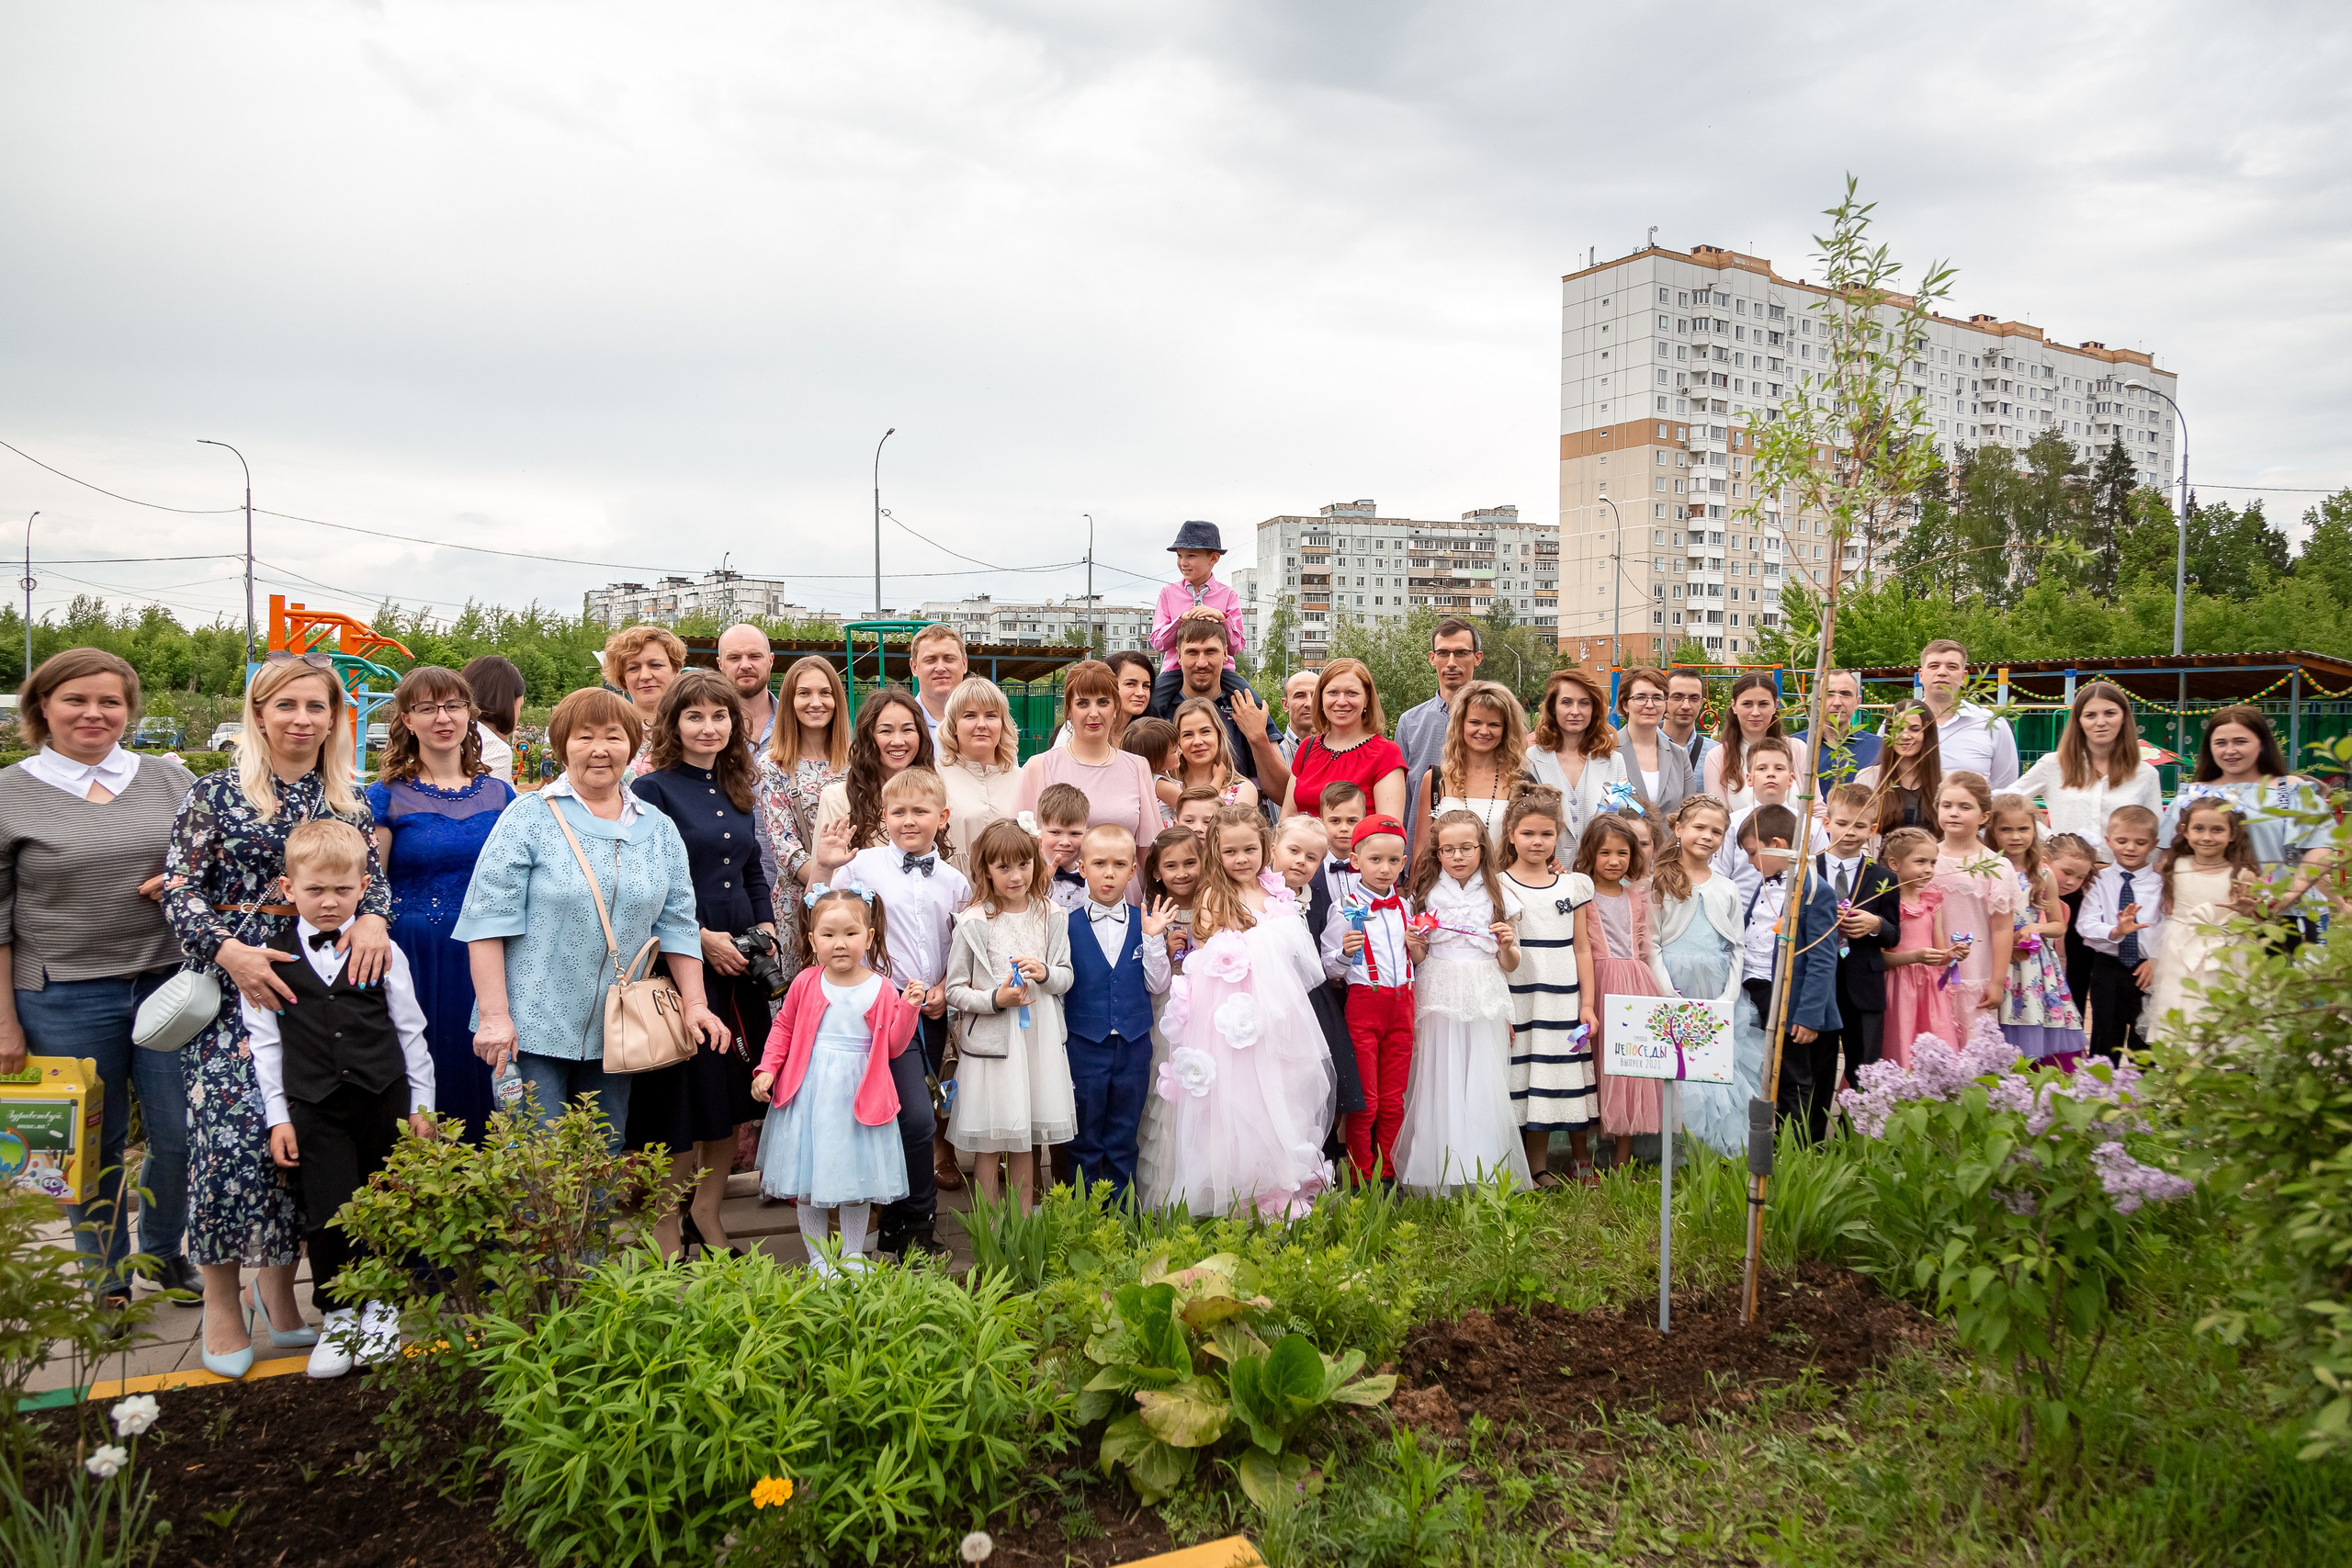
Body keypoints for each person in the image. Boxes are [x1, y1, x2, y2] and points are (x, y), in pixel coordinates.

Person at [162, 653, 394, 1377]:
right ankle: (224, 1305)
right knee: (232, 1149)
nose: (302, 719)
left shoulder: (347, 803)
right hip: (236, 993)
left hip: (323, 1001)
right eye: (286, 705)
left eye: (316, 707)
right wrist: (229, 952)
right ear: (259, 712)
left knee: (308, 1147)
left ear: (334, 717)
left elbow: (376, 888)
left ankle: (289, 1300)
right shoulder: (216, 794)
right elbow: (179, 888)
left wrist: (374, 924)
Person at [0, 649, 197, 1301]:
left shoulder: (168, 781)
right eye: (75, 699)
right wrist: (5, 1021)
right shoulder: (10, 793)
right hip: (61, 995)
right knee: (88, 1149)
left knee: (179, 1135)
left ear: (129, 710)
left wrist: (181, 880)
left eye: (109, 701)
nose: (93, 713)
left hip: (171, 986)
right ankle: (106, 1276)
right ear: (42, 708)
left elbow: (207, 862)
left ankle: (163, 1253)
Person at [455, 686, 724, 1149]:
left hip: (619, 1030)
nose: (600, 749)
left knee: (603, 1156)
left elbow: (678, 925)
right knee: (536, 1163)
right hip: (530, 1026)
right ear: (562, 746)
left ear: (631, 746)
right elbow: (486, 922)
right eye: (584, 737)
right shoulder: (529, 817)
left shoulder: (658, 828)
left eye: (614, 736)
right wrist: (496, 1018)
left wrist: (697, 1005)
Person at [243, 819, 434, 1380]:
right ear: (288, 888)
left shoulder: (383, 951)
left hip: (382, 1096)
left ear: (361, 889)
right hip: (314, 1104)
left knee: (384, 1201)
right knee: (328, 1210)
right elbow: (265, 1043)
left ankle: (382, 1309)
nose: (330, 903)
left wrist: (421, 1106)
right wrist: (279, 1117)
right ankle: (339, 1314)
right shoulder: (270, 959)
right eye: (315, 891)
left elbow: (411, 1031)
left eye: (343, 891)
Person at [626, 671, 768, 1258]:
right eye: (695, 717)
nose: (709, 728)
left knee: (731, 1100)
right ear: (673, 724)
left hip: (742, 960)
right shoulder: (653, 790)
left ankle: (708, 1217)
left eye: (720, 717)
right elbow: (645, 884)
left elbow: (753, 866)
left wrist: (762, 928)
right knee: (685, 1101)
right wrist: (703, 937)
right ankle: (667, 1226)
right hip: (685, 960)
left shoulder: (738, 785)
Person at [1159, 804, 1332, 1216]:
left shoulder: (1276, 892)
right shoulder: (1215, 897)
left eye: (1249, 850)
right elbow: (1212, 954)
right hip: (1231, 1019)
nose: (1241, 860)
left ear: (1265, 847)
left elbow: (1298, 955)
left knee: (1281, 1092)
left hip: (1276, 1016)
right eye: (1230, 852)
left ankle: (1277, 1186)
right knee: (1239, 1099)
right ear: (1216, 853)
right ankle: (1236, 1193)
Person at [367, 665, 514, 1144]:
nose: (442, 717)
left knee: (488, 1069)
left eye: (453, 706)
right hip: (415, 952)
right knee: (426, 1063)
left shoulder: (501, 794)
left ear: (471, 713)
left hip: (489, 953)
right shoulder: (385, 797)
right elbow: (372, 887)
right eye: (426, 708)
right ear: (407, 720)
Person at [752, 886, 918, 1277]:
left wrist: (909, 1008)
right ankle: (818, 1260)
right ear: (812, 939)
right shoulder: (806, 982)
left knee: (854, 1179)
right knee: (810, 1178)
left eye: (850, 934)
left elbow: (893, 1047)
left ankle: (854, 1255)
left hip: (860, 1095)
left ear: (870, 937)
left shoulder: (881, 988)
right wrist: (767, 1069)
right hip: (811, 1094)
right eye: (828, 935)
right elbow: (784, 1029)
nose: (839, 944)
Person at [839, 767, 967, 1258]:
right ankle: (916, 1224)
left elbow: (958, 946)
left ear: (943, 817)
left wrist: (942, 989)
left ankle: (897, 1227)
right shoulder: (863, 868)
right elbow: (839, 924)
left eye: (920, 811)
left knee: (923, 1111)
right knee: (911, 1118)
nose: (909, 821)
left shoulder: (955, 882)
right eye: (898, 812)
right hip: (879, 1011)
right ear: (883, 817)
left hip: (930, 1013)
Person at [1390, 808, 1527, 1195]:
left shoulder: (1500, 891)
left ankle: (1481, 1169)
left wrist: (1506, 945)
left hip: (1484, 987)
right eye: (1448, 849)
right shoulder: (1426, 892)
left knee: (1483, 1077)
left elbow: (1511, 964)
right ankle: (1437, 1168)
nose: (1458, 857)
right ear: (1437, 853)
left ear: (1483, 848)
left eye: (1467, 847)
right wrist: (1415, 947)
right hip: (1440, 987)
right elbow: (1420, 958)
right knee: (1439, 1074)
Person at [944, 817, 1075, 1213]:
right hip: (995, 1048)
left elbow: (1066, 977)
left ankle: (1022, 1224)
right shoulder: (972, 922)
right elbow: (954, 990)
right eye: (1003, 868)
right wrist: (996, 999)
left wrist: (1046, 974)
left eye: (1024, 865)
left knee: (1025, 1135)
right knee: (991, 1138)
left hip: (1039, 1041)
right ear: (986, 870)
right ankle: (988, 1225)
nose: (1016, 876)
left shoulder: (1051, 914)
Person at [1064, 824, 1175, 1200]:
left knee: (1124, 1132)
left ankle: (1123, 1217)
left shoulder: (1144, 922)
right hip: (1083, 1044)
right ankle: (1081, 1215)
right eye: (1099, 863)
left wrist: (1154, 940)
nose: (1108, 873)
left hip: (1133, 1045)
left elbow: (1158, 985)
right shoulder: (1063, 925)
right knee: (1083, 1134)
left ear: (1132, 871)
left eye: (1119, 864)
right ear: (1082, 868)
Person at [1497, 789, 1596, 1186]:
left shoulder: (1574, 886)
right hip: (1520, 996)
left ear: (1558, 836)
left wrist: (1586, 1005)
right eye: (1528, 833)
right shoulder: (1499, 884)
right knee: (1526, 1077)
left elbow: (1583, 947)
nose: (1537, 842)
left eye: (1547, 834)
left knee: (1557, 1073)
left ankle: (1565, 1162)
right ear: (1511, 834)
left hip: (1562, 998)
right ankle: (1530, 1167)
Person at [2159, 705, 2335, 926]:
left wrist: (2288, 896)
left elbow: (2319, 849)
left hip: (2286, 914)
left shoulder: (2291, 790)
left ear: (2261, 744)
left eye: (2240, 741)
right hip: (2209, 917)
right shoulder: (2193, 794)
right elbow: (2167, 855)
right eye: (2220, 743)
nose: (2230, 750)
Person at [1320, 813, 1415, 1183]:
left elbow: (1414, 961)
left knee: (1393, 1100)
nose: (1385, 868)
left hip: (1403, 1006)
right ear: (1356, 861)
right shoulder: (1344, 908)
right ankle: (1361, 1174)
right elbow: (1330, 968)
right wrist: (1345, 953)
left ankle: (1387, 1172)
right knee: (1367, 1100)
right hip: (1364, 1004)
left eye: (1394, 860)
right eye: (1375, 860)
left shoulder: (1406, 908)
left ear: (1403, 862)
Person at [1014, 661, 1162, 896]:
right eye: (1083, 703)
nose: (1094, 713)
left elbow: (1147, 851)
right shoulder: (1039, 766)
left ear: (1115, 707)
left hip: (1124, 903)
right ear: (1069, 711)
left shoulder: (1137, 766)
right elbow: (1021, 849)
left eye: (1103, 702)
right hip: (1058, 904)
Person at [752, 656, 851, 990]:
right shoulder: (774, 764)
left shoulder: (857, 759)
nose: (816, 702)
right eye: (804, 693)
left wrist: (852, 891)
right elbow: (784, 846)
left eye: (825, 693)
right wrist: (826, 892)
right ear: (790, 701)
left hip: (857, 895)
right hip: (799, 901)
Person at [1650, 793, 1745, 1136]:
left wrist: (1729, 996)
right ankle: (1675, 1138)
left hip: (1716, 986)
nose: (1707, 836)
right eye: (1700, 827)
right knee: (1677, 1060)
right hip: (1674, 983)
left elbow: (1737, 946)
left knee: (1714, 1060)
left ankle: (1712, 1140)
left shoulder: (1728, 888)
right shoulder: (1659, 881)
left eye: (1716, 832)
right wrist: (1668, 992)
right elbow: (1652, 943)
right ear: (1678, 828)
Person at [1578, 814, 1663, 1168]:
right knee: (1591, 1067)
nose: (1614, 861)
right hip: (1596, 984)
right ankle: (1582, 1154)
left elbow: (1649, 944)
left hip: (1635, 987)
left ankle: (1622, 1159)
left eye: (1623, 853)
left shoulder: (1639, 896)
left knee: (1627, 1066)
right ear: (1590, 855)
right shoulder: (1581, 894)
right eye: (1605, 853)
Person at [2143, 796, 2260, 1046]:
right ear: (2185, 832)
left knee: (2220, 1003)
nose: (2207, 837)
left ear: (2232, 834)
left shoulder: (2242, 874)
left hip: (2227, 952)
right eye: (2199, 829)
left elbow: (2258, 920)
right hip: (2179, 948)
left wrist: (2248, 912)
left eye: (2217, 829)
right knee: (2179, 1000)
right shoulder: (2175, 866)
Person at [1814, 784, 1903, 1100]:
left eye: (1859, 826)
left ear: (1872, 829)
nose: (1849, 832)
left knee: (1864, 1069)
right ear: (1826, 823)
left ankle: (1860, 1141)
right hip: (1818, 987)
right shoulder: (1809, 870)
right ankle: (1813, 1141)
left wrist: (1876, 924)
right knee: (1819, 1069)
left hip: (1864, 986)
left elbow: (1895, 933)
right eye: (1842, 823)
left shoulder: (1884, 878)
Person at [1134, 824, 1206, 1206]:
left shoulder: (1215, 906)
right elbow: (1157, 983)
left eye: (1191, 863)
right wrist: (1160, 945)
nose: (1183, 873)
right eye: (1172, 866)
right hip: (1169, 1015)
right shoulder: (1156, 913)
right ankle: (1167, 1197)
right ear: (1157, 871)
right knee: (1170, 1095)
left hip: (1208, 1014)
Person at [1985, 794, 2086, 1068]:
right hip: (1995, 955)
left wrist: (2035, 928)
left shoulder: (2041, 874)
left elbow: (2058, 924)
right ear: (1991, 831)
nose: (2015, 836)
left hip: (2032, 964)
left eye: (2023, 829)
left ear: (2034, 830)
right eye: (2006, 829)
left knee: (2029, 1016)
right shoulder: (1984, 868)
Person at [1145, 620, 1288, 801]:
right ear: (1179, 656)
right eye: (1192, 652)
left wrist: (1258, 738)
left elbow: (1283, 794)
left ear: (1226, 653)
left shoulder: (1246, 708)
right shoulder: (1158, 712)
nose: (1202, 663)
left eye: (1211, 652)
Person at [2014, 682, 2161, 856]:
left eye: (2110, 713)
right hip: (2067, 875)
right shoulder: (2053, 765)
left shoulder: (2145, 774)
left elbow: (2155, 833)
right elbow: (2006, 802)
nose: (2101, 722)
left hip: (2122, 876)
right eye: (2090, 715)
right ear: (2079, 721)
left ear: (2123, 718)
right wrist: (2049, 838)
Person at [810, 685, 937, 871]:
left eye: (907, 730)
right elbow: (828, 878)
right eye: (886, 731)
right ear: (868, 738)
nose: (898, 741)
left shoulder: (936, 793)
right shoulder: (837, 798)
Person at [2078, 805, 2165, 1060]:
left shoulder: (2161, 884)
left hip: (2147, 968)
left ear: (2153, 844)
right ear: (2108, 841)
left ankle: (2145, 1094)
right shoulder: (2099, 880)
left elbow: (2168, 924)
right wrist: (2116, 930)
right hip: (2109, 966)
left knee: (2144, 1038)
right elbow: (2085, 923)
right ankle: (2098, 1090)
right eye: (2122, 841)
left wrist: (2156, 959)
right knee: (2105, 1034)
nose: (2130, 848)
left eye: (2140, 842)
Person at [1929, 772, 2015, 1031]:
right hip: (1929, 971)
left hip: (1975, 971)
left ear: (1984, 816)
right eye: (1947, 805)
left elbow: (2002, 927)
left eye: (1964, 807)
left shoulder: (1997, 866)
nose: (1954, 812)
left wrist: (1997, 982)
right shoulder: (1925, 859)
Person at [1393, 619, 1486, 855]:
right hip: (1420, 857)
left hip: (1482, 856)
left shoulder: (1498, 723)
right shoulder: (1409, 723)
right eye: (1443, 653)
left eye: (1461, 653)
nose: (1451, 663)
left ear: (1477, 657)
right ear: (1432, 658)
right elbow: (1400, 798)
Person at [1283, 657, 1407, 825]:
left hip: (1359, 851)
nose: (1341, 701)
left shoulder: (1386, 753)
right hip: (1306, 850)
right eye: (1333, 692)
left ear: (1367, 699)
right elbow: (1286, 820)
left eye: (1352, 693)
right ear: (1321, 698)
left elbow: (1388, 831)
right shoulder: (1307, 748)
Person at [1710, 738, 1827, 911]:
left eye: (1779, 768)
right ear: (1749, 779)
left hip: (1795, 918)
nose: (1771, 774)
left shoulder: (1809, 826)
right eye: (1762, 768)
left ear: (1791, 780)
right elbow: (1719, 874)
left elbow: (1822, 875)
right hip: (1742, 916)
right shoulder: (1731, 824)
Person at [1147, 521, 1250, 715]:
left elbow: (1236, 647)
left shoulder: (1228, 595)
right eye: (1179, 556)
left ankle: (1271, 740)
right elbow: (1158, 643)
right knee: (1151, 705)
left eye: (1191, 556)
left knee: (1253, 702)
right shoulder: (1168, 593)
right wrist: (1180, 621)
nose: (1183, 563)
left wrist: (1223, 619)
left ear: (1213, 558)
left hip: (1220, 672)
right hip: (1176, 670)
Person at [1878, 828, 1958, 1066]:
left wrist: (1953, 955)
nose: (1928, 869)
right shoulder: (1886, 901)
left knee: (1936, 1039)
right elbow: (1880, 957)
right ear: (1894, 863)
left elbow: (1941, 953)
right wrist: (1915, 957)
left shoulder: (1932, 900)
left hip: (1929, 988)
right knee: (1900, 1040)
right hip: (1898, 986)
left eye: (1933, 862)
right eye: (1920, 861)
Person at [1523, 670, 1623, 843]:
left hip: (1598, 866)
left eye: (1584, 703)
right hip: (1548, 866)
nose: (1575, 711)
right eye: (1567, 702)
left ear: (1594, 709)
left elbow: (1617, 816)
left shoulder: (1613, 761)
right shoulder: (1532, 758)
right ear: (1553, 708)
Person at [939, 676, 1024, 865]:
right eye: (970, 715)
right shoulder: (936, 778)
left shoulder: (1023, 779)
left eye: (991, 715)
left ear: (1002, 724)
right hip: (958, 890)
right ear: (953, 726)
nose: (981, 724)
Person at [1917, 639, 2018, 789]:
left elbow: (2004, 788)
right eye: (1934, 666)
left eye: (1952, 667)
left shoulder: (1992, 724)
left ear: (1964, 677)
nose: (1942, 672)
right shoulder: (1899, 722)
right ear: (1921, 675)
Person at [602, 625, 686, 778]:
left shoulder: (698, 730)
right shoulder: (607, 733)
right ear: (622, 679)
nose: (645, 676)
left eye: (655, 665)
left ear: (676, 670)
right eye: (633, 668)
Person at [1610, 667, 1694, 819]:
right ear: (1625, 705)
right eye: (1640, 697)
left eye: (1657, 698)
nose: (1650, 705)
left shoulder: (1679, 755)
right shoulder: (1605, 749)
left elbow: (1689, 814)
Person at [1852, 698, 1943, 835]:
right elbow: (1856, 831)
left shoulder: (1945, 782)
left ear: (1928, 734)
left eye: (1915, 729)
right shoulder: (1868, 779)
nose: (1905, 735)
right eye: (1898, 729)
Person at [1159, 695, 1261, 816]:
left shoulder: (1243, 790)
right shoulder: (1162, 786)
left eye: (1205, 732)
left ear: (1219, 735)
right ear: (1177, 742)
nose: (1197, 741)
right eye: (1188, 735)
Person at [1702, 672, 1787, 811]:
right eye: (1747, 704)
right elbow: (1718, 816)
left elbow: (1815, 809)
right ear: (1734, 706)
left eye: (1763, 704)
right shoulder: (1718, 756)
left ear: (1776, 705)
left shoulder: (1796, 749)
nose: (1755, 712)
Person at [1792, 670, 1883, 789]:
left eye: (1845, 694)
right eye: (1829, 694)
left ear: (1857, 702)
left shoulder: (1878, 749)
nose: (1837, 702)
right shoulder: (1796, 745)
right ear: (1817, 701)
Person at [2045, 832, 2101, 1020]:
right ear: (2045, 861)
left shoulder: (2066, 907)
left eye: (2080, 877)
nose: (2071, 882)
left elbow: (2062, 954)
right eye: (2067, 873)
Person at [460, 655, 527, 788]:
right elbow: (493, 804)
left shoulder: (452, 732)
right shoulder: (495, 749)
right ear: (508, 704)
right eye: (520, 707)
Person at [715, 625, 779, 750]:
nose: (745, 665)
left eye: (755, 656)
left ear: (771, 661)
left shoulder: (797, 721)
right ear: (720, 664)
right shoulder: (707, 728)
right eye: (734, 658)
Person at [1034, 784, 1093, 913]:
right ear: (1039, 832)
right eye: (1055, 832)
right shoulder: (1028, 877)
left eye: (1075, 834)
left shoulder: (1093, 878)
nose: (1065, 842)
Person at [908, 623, 969, 742]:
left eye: (949, 659)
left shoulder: (988, 726)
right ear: (914, 667)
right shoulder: (898, 726)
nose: (940, 668)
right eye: (930, 660)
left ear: (964, 664)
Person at [1662, 668, 1711, 777]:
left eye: (1694, 698)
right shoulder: (1641, 748)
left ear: (1701, 703)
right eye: (1677, 697)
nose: (1686, 706)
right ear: (1664, 699)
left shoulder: (1715, 753)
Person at [1279, 670, 1321, 761]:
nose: (1309, 704)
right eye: (1300, 696)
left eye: (1315, 696)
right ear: (1285, 704)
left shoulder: (1342, 750)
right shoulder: (1273, 753)